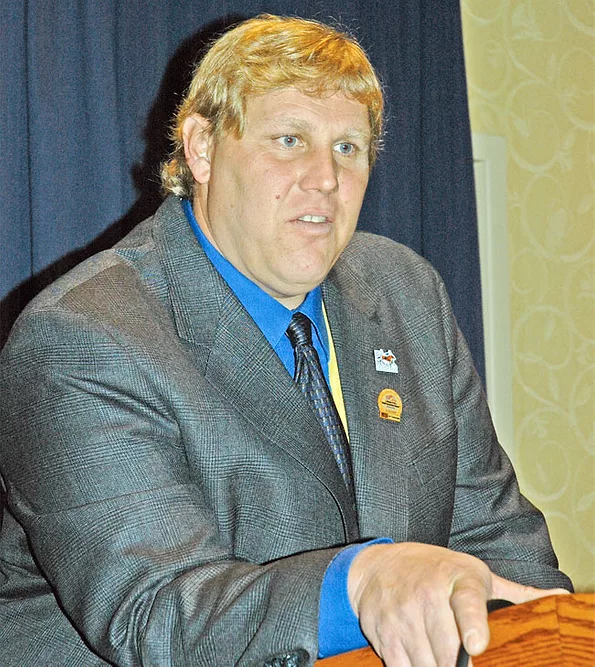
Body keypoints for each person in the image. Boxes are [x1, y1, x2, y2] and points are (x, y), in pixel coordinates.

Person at [0, 14, 571, 667]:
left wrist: (541, 636)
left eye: (348, 147)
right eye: (290, 139)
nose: (325, 177)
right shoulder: (84, 334)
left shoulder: (406, 293)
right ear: (202, 148)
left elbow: (497, 541)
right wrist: (360, 582)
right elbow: (160, 616)